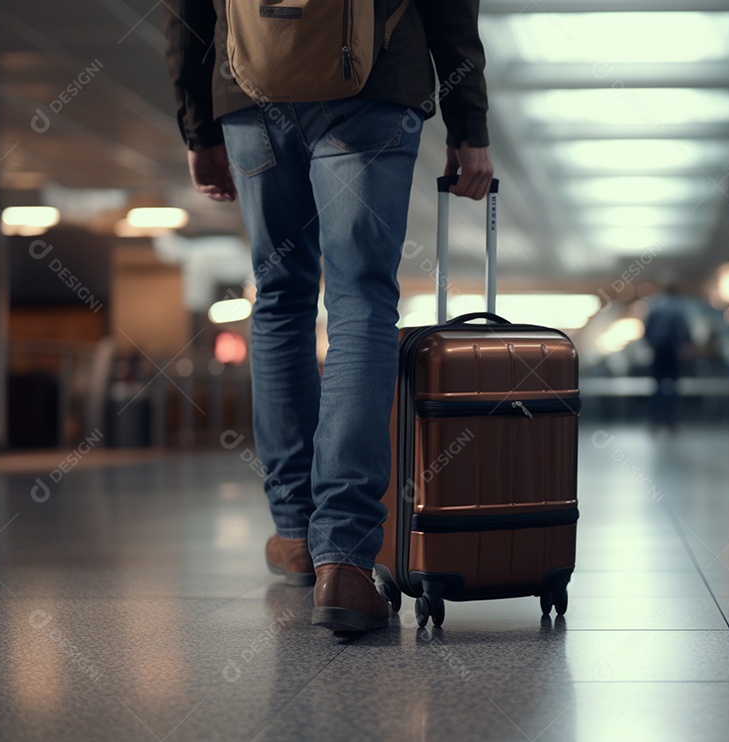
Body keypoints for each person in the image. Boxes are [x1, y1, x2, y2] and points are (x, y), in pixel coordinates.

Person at [164, 0, 493, 632]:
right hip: (372, 86)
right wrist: (468, 122)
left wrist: (198, 124)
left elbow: (184, 10)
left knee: (281, 298)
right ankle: (342, 557)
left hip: (249, 91)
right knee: (360, 303)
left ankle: (293, 532)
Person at [642, 285, 693, 434]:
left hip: (658, 352)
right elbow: (684, 330)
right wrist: (686, 346)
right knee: (672, 387)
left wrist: (652, 345)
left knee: (656, 387)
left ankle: (654, 421)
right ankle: (671, 422)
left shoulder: (655, 306)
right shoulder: (678, 307)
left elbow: (646, 331)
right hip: (672, 351)